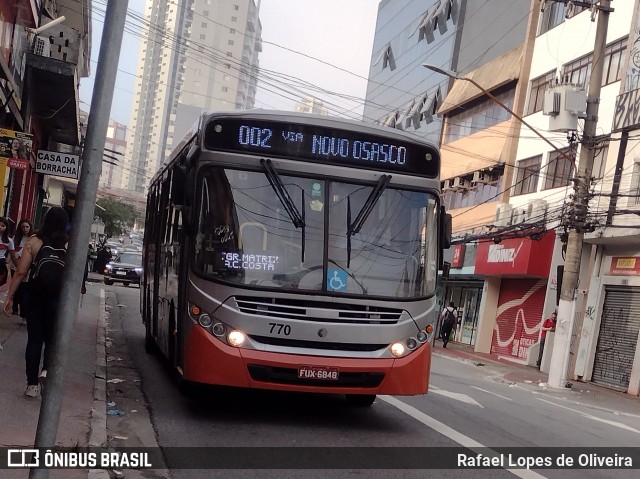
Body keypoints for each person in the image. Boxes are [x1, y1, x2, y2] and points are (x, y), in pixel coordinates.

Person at [3, 207, 69, 398]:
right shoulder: (69, 243)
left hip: (35, 296)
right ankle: (46, 370)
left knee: (34, 339)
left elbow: (21, 271)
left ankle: (31, 385)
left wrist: (10, 296)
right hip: (58, 299)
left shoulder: (34, 240)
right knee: (51, 339)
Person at [10, 218, 34, 316]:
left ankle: (23, 311)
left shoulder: (33, 238)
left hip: (27, 269)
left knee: (24, 289)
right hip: (15, 266)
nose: (25, 229)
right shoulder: (16, 238)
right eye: (23, 227)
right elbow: (13, 253)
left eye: (27, 227)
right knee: (16, 287)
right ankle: (15, 308)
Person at [0, 217, 17, 288]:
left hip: (1, 263)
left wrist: (18, 267)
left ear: (6, 227)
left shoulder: (9, 241)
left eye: (3, 225)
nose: (0, 227)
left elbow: (13, 256)